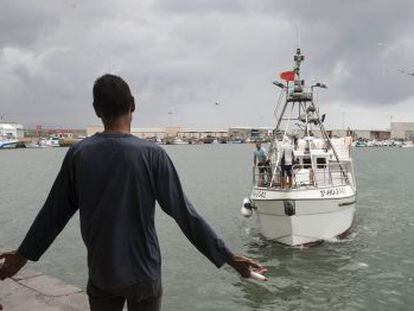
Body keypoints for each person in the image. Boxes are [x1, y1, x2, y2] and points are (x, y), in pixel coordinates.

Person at [0, 74, 266, 311]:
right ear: (133, 105)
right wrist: (229, 258)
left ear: (96, 111)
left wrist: (22, 256)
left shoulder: (78, 155)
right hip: (144, 275)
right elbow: (186, 215)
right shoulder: (153, 155)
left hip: (103, 274)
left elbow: (53, 214)